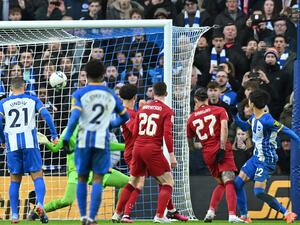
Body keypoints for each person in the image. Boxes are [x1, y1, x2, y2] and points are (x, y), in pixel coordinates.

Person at [63, 59, 129, 225]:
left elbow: (74, 119)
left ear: (86, 74)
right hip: (102, 142)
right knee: (98, 179)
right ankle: (92, 217)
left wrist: (65, 137)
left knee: (82, 178)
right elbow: (125, 117)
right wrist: (109, 124)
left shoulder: (79, 93)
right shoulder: (110, 94)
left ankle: (83, 216)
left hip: (83, 141)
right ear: (103, 74)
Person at [112, 84, 188, 223]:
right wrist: (171, 155)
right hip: (148, 148)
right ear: (166, 93)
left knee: (140, 181)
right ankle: (158, 215)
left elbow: (136, 131)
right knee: (166, 181)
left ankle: (170, 211)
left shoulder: (141, 110)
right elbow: (167, 134)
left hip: (137, 149)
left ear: (153, 93)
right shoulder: (162, 110)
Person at [28, 127, 129, 219]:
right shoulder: (69, 130)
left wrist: (127, 146)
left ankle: (117, 213)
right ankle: (36, 212)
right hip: (77, 172)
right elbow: (55, 148)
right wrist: (46, 142)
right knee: (67, 200)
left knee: (127, 182)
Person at [234, 89, 300, 223]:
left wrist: (299, 140)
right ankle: (244, 215)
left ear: (252, 104)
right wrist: (234, 115)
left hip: (266, 160)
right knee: (238, 183)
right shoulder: (254, 118)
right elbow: (244, 126)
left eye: (249, 102)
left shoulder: (267, 119)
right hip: (255, 158)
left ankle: (287, 213)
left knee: (258, 192)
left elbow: (287, 130)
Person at [0, 77, 58, 223]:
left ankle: (14, 215)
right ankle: (40, 204)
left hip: (12, 145)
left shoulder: (3, 102)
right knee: (37, 175)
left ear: (11, 88)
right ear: (24, 86)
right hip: (30, 143)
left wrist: (2, 140)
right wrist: (54, 134)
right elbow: (46, 114)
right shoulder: (32, 99)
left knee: (15, 179)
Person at [186, 88, 243, 223]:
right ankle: (232, 215)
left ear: (196, 101)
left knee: (221, 183)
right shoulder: (219, 110)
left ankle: (211, 212)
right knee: (229, 180)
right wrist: (222, 148)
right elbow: (224, 128)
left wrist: (198, 146)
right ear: (207, 99)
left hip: (207, 152)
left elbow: (190, 142)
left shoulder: (191, 118)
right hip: (220, 147)